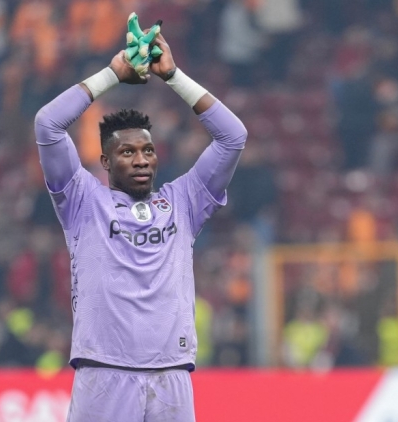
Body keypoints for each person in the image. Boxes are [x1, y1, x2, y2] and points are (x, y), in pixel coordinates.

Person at [34, 26, 247, 422]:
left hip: (172, 374)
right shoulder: (83, 200)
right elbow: (48, 123)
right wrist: (113, 73)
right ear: (106, 162)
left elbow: (233, 137)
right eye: (127, 152)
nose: (141, 159)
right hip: (104, 372)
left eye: (148, 150)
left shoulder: (183, 202)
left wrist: (173, 76)